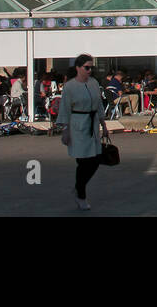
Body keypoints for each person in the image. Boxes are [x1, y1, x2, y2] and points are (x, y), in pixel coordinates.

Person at [57, 54, 109, 211]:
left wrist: (104, 125)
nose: (89, 70)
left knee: (95, 159)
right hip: (77, 124)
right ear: (78, 68)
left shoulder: (93, 83)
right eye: (87, 67)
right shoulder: (70, 86)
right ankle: (81, 195)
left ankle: (79, 187)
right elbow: (65, 108)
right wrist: (65, 130)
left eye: (91, 67)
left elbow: (99, 105)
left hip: (92, 123)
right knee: (83, 161)